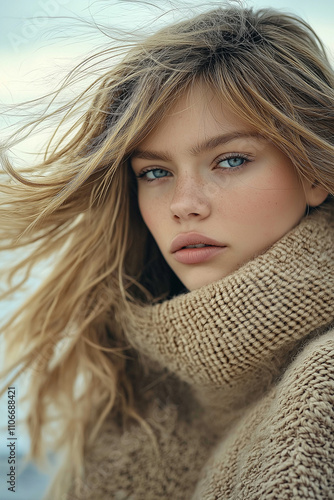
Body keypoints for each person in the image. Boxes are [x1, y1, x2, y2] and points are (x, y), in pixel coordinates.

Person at [1, 4, 333, 499]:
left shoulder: (323, 388)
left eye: (231, 160)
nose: (184, 205)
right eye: (155, 172)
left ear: (314, 173)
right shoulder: (128, 387)